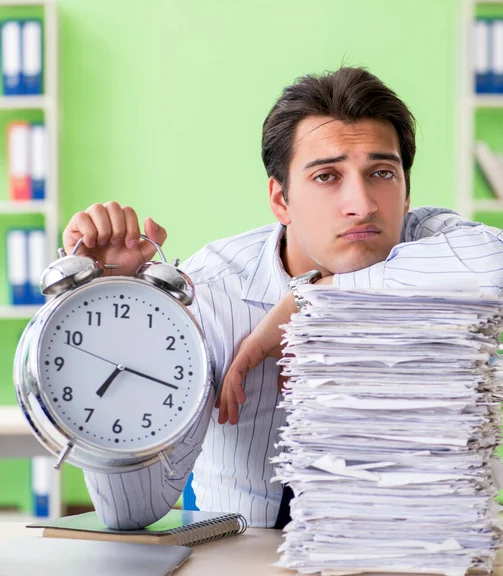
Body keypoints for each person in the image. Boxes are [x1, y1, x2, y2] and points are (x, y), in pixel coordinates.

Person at [62, 67, 503, 529]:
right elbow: (131, 510)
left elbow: (494, 269)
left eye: (381, 172)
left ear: (407, 193)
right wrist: (111, 314)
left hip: (413, 555)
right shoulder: (211, 289)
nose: (363, 203)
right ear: (281, 200)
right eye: (327, 176)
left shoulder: (436, 247)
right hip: (244, 562)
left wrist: (312, 300)